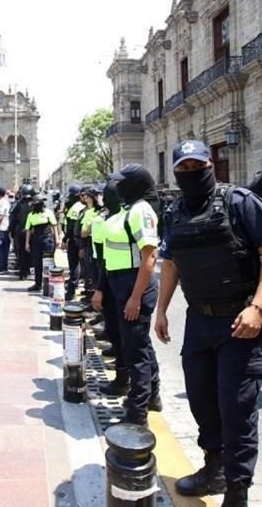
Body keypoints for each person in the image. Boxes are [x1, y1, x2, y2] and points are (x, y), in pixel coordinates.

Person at [154, 140, 262, 507]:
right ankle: (214, 469)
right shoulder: (174, 211)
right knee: (202, 401)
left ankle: (237, 491)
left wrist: (258, 307)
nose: (192, 174)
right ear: (176, 173)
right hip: (198, 320)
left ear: (210, 165)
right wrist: (162, 310)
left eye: (198, 167)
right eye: (185, 169)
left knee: (236, 408)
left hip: (238, 321)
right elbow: (172, 262)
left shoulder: (239, 201)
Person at [93, 164, 161, 427]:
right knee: (139, 345)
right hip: (121, 283)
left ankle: (137, 413)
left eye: (123, 182)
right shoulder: (126, 210)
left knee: (136, 353)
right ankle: (151, 395)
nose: (117, 187)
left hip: (134, 284)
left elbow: (149, 257)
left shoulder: (140, 210)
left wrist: (135, 297)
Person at [91, 181, 129, 394]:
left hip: (121, 283)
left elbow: (104, 260)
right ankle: (123, 377)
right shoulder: (112, 219)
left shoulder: (120, 220)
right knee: (117, 332)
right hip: (114, 280)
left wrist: (99, 289)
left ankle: (129, 384)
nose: (103, 200)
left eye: (105, 196)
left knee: (128, 337)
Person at [25, 194, 58, 292]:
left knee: (48, 263)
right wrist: (27, 243)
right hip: (36, 239)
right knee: (37, 262)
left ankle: (50, 284)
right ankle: (38, 284)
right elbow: (28, 230)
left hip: (47, 238)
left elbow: (54, 225)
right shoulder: (30, 215)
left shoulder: (48, 212)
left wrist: (57, 239)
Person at [62, 185, 85, 300]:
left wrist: (64, 240)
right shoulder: (82, 206)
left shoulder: (75, 208)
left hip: (74, 240)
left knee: (74, 265)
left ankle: (71, 290)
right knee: (80, 264)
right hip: (81, 240)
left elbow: (71, 227)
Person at [10, 184, 33, 279]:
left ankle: (23, 272)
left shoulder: (18, 204)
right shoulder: (35, 204)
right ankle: (26, 270)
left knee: (21, 253)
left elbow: (12, 219)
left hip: (20, 232)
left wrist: (11, 230)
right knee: (29, 252)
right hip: (31, 232)